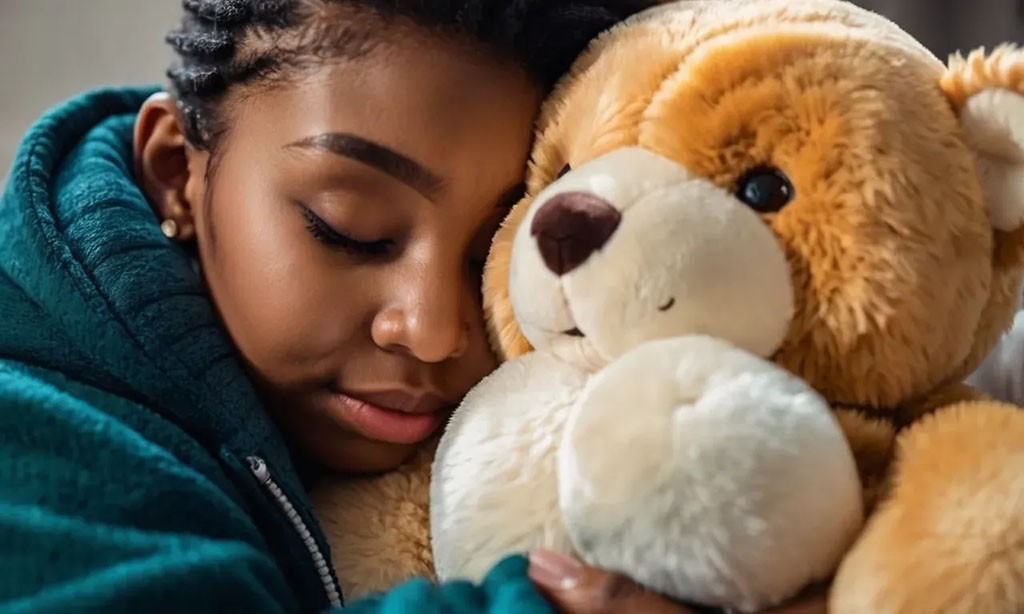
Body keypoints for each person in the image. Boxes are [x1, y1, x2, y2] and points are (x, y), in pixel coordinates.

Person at [0, 0, 828, 612]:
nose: (432, 330)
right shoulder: (28, 415)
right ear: (176, 171)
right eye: (347, 231)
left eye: (493, 253)